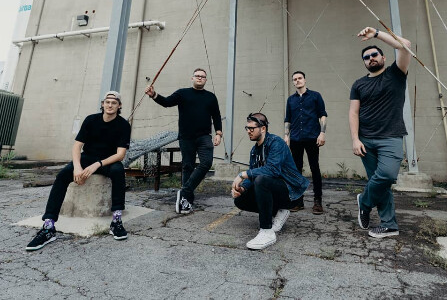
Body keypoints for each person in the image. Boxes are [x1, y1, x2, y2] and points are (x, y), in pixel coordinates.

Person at [26, 91, 131, 251]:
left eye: (114, 103)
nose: (110, 105)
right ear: (102, 104)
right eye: (107, 102)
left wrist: (97, 164)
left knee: (118, 171)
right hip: (86, 158)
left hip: (107, 161)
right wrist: (77, 167)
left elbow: (120, 154)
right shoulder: (91, 120)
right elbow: (77, 146)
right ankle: (48, 226)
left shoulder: (123, 125)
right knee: (62, 175)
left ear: (119, 106)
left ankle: (116, 220)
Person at [349, 26, 411, 239]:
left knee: (386, 175)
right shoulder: (359, 84)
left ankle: (364, 202)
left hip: (391, 137)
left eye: (374, 54)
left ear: (383, 57)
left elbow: (405, 46)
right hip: (365, 139)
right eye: (366, 57)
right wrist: (355, 139)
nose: (371, 58)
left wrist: (376, 34)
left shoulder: (396, 73)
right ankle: (389, 225)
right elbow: (353, 112)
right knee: (380, 183)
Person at [145, 68, 222, 214]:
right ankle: (186, 201)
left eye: (203, 76)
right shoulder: (182, 93)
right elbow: (167, 102)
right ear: (192, 78)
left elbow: (216, 116)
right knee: (188, 166)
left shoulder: (211, 97)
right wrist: (154, 95)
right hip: (186, 137)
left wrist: (218, 133)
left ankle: (184, 191)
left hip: (204, 137)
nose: (200, 78)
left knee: (206, 163)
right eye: (197, 76)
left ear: (206, 80)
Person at [232, 113, 309, 250]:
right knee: (240, 200)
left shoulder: (276, 143)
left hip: (290, 191)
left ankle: (267, 232)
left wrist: (243, 174)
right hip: (272, 189)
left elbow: (273, 170)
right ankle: (278, 212)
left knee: (262, 180)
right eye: (247, 128)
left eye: (252, 128)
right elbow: (252, 175)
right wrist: (242, 188)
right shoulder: (254, 150)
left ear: (263, 128)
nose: (248, 131)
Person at [284, 71, 327, 214]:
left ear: (305, 80)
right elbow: (288, 119)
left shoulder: (315, 96)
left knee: (315, 168)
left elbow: (322, 115)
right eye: (295, 79)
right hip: (296, 139)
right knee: (296, 170)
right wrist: (286, 135)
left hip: (312, 137)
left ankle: (317, 201)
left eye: (300, 78)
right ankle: (298, 201)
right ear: (293, 82)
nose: (297, 81)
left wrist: (322, 133)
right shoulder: (291, 100)